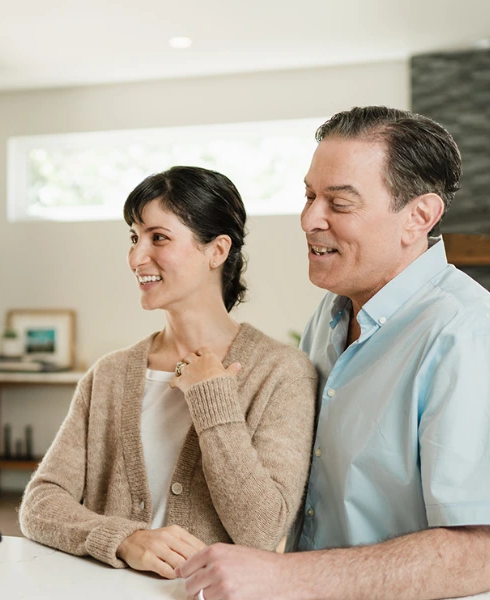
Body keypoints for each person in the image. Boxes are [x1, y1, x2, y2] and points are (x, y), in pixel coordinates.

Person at [177, 107, 490, 600]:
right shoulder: (329, 314)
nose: (308, 219)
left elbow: (481, 553)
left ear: (419, 217)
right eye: (308, 195)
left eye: (338, 204)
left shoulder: (467, 334)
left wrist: (283, 576)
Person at [19, 166, 318, 579]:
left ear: (216, 251)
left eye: (158, 237)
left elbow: (262, 531)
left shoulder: (281, 372)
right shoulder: (109, 374)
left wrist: (213, 400)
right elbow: (41, 502)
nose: (137, 257)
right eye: (134, 237)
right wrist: (124, 538)